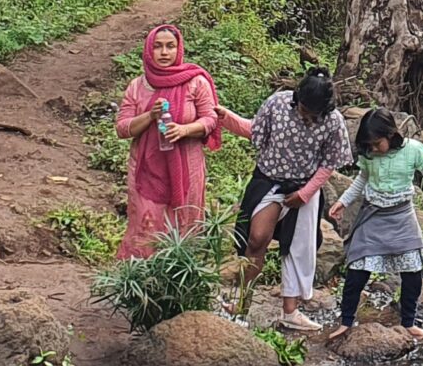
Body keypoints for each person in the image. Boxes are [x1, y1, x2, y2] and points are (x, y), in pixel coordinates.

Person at [216, 69, 350, 332]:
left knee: (297, 249)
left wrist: (305, 194)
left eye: (312, 114)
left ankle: (291, 312)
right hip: (269, 180)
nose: (305, 116)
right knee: (256, 238)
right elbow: (255, 131)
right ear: (297, 97)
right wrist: (227, 118)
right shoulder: (278, 103)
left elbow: (329, 164)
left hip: (304, 188)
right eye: (302, 109)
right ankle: (241, 303)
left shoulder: (333, 122)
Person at [329, 108, 423, 340]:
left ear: (390, 134)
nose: (373, 148)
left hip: (402, 216)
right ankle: (346, 321)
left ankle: (409, 322)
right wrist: (343, 201)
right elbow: (362, 180)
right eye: (368, 144)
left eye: (376, 143)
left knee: (413, 271)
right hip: (373, 215)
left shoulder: (413, 150)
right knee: (357, 269)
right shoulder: (369, 155)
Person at [111, 23, 219, 260]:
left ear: (179, 49)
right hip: (146, 169)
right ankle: (143, 283)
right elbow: (122, 128)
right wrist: (150, 116)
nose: (164, 52)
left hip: (187, 168)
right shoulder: (138, 86)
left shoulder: (195, 82)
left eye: (170, 46)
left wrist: (184, 130)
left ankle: (177, 286)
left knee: (184, 223)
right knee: (146, 223)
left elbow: (211, 119)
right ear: (149, 50)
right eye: (158, 47)